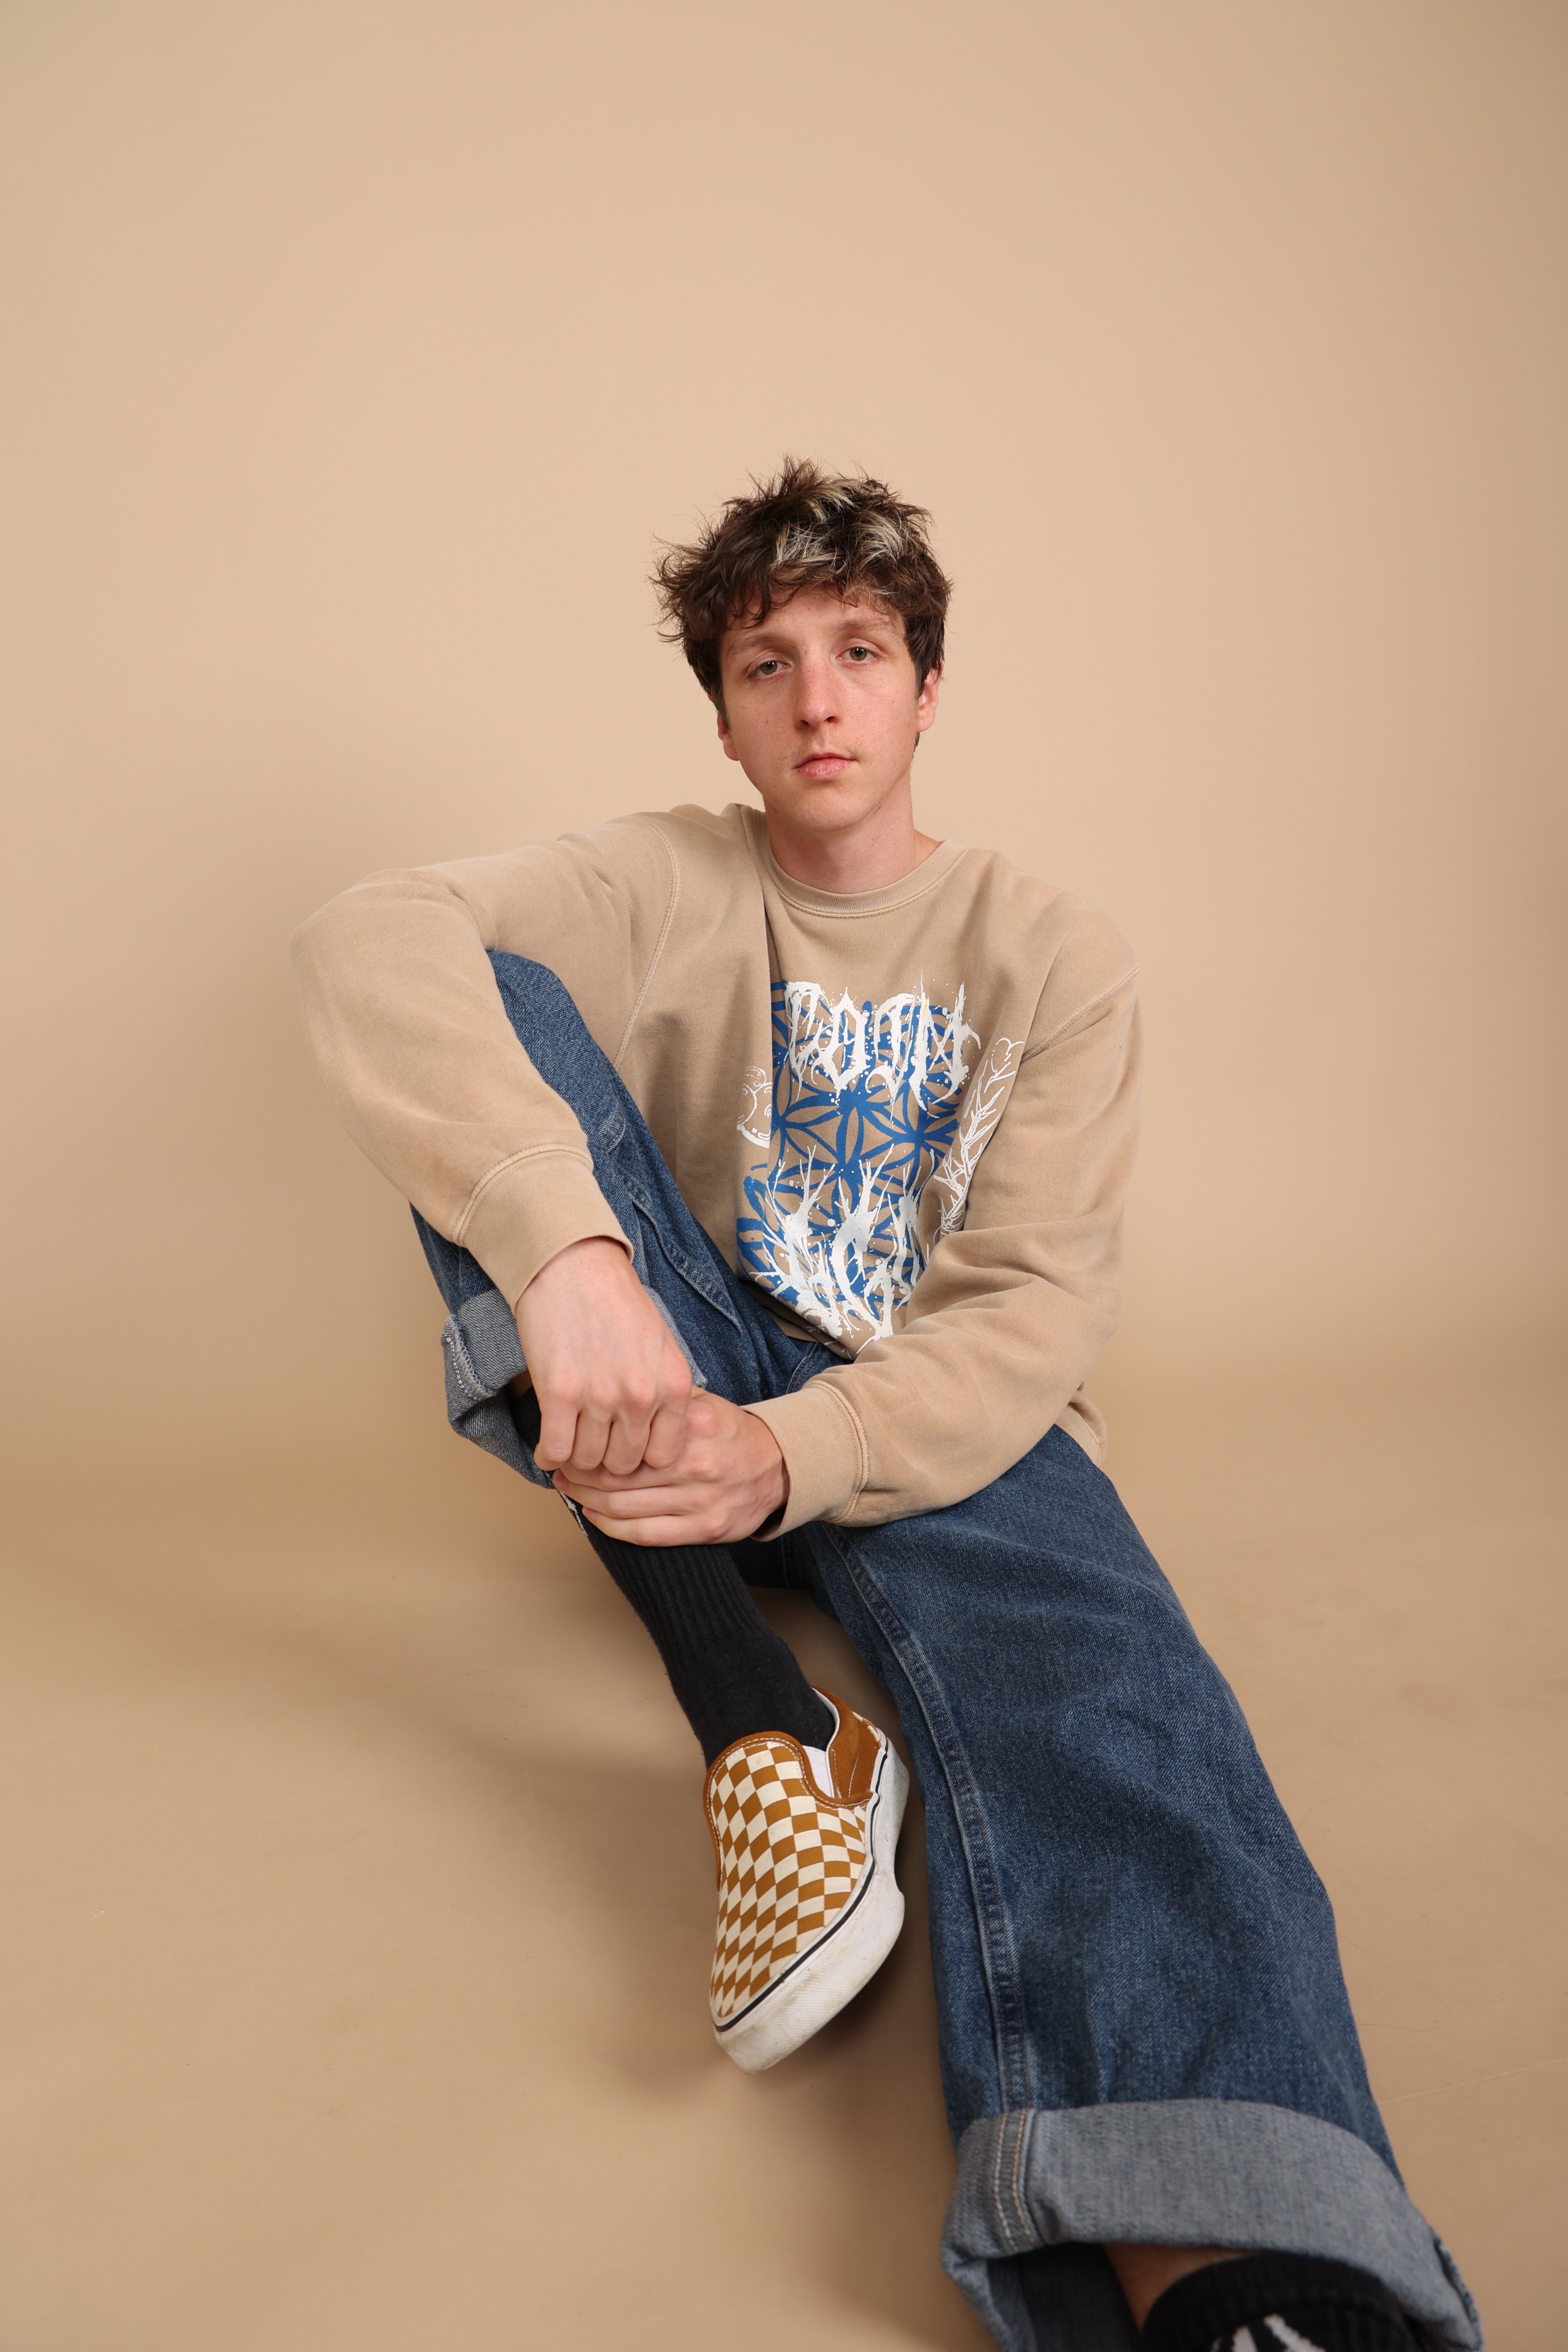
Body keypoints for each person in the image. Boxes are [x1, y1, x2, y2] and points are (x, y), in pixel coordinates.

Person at [292, 462, 1479, 2352]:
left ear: (929, 689)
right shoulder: (671, 879)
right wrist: (574, 1259)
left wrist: (805, 1448)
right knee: (481, 1014)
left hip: (942, 1432)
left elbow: (1029, 1311)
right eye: (766, 664)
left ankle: (1243, 2284)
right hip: (683, 1381)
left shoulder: (1054, 952)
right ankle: (762, 1730)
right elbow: (372, 932)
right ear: (723, 716)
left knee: (1121, 1718)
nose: (818, 699)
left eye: (860, 651)